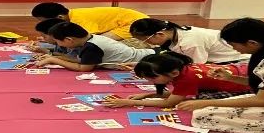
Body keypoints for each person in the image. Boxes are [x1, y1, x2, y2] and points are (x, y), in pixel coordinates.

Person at [103, 51, 250, 109]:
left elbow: (170, 102)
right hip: (242, 69)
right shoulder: (182, 68)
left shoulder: (187, 78)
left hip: (247, 85)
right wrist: (147, 94)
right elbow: (177, 93)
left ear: (173, 73)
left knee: (197, 102)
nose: (151, 82)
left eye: (152, 78)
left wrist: (130, 102)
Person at [32, 22, 154, 71]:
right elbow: (81, 60)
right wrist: (53, 57)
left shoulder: (92, 46)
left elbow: (84, 68)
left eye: (57, 41)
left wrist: (54, 60)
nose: (58, 44)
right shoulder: (89, 39)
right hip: (147, 55)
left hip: (150, 60)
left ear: (69, 40)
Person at [128, 18, 249, 64]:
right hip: (215, 60)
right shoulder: (175, 34)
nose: (147, 44)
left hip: (236, 60)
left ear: (159, 34)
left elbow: (196, 68)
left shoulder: (190, 42)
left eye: (147, 40)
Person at [30, 2, 148, 41]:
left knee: (99, 41)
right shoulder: (72, 15)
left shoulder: (79, 20)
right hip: (125, 22)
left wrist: (52, 40)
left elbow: (86, 39)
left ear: (60, 17)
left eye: (45, 22)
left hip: (135, 24)